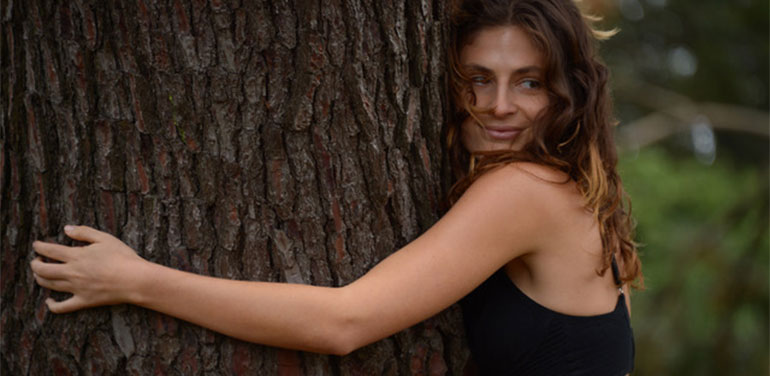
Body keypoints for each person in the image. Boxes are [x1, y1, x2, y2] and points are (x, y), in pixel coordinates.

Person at [30, 0, 642, 374]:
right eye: (477, 78)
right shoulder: (586, 195)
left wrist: (138, 281)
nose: (498, 105)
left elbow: (343, 323)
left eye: (529, 82)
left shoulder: (524, 190)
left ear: (568, 91)